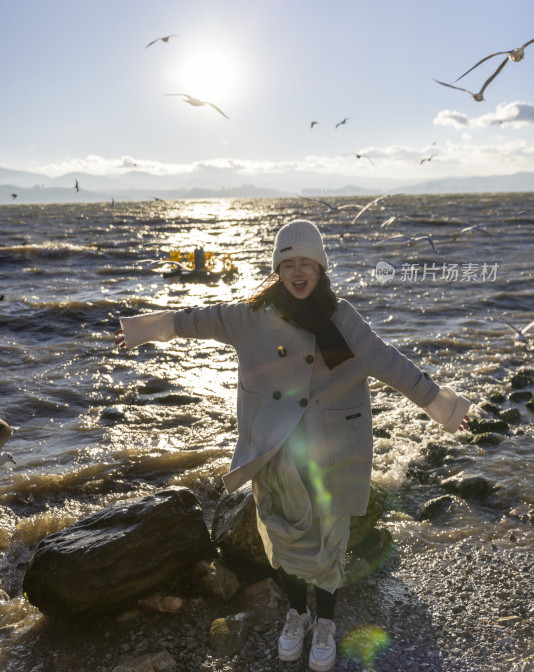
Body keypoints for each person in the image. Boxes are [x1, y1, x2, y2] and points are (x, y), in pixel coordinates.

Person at [115, 219, 470, 672]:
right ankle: (296, 612)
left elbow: (389, 363)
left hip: (334, 448)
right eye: (289, 263)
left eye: (308, 263)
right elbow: (196, 319)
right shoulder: (249, 318)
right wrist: (144, 330)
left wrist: (441, 405)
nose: (299, 272)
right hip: (275, 450)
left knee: (329, 540)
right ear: (277, 270)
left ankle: (324, 621)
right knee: (282, 539)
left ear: (320, 270)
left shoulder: (341, 319)